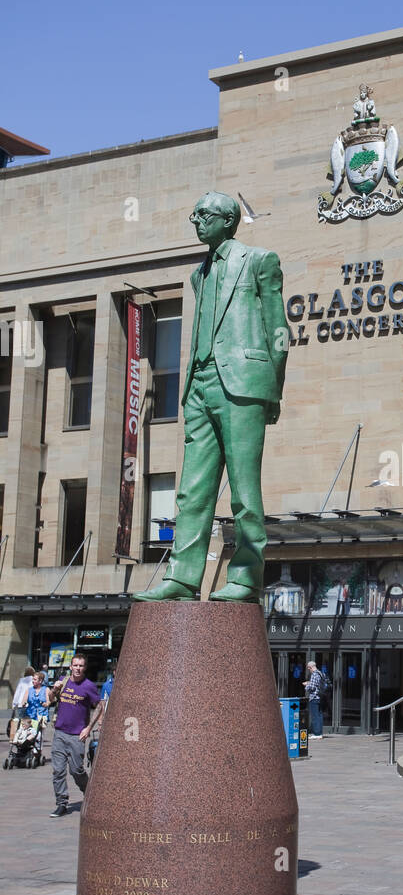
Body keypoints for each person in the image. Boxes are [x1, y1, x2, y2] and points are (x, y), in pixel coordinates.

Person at [134, 192, 286, 603]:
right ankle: (183, 579)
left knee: (243, 489)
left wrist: (273, 390)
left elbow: (279, 331)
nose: (196, 222)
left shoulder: (259, 260)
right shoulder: (197, 276)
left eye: (203, 215)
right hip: (199, 386)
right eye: (194, 215)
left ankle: (246, 577)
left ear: (228, 220)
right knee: (192, 490)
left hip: (243, 385)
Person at [45, 654, 103, 818]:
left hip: (77, 735)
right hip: (60, 733)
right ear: (71, 666)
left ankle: (89, 794)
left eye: (81, 666)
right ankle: (61, 803)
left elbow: (99, 706)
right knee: (58, 771)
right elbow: (51, 699)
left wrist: (88, 727)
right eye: (75, 665)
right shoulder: (63, 681)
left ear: (84, 668)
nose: (77, 668)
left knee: (76, 770)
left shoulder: (88, 686)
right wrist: (54, 689)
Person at [303, 661, 324, 739]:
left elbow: (312, 687)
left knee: (315, 716)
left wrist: (306, 685)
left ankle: (316, 733)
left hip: (314, 698)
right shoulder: (320, 673)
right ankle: (320, 733)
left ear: (310, 667)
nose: (309, 670)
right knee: (319, 715)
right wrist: (310, 682)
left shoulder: (314, 674)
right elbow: (317, 684)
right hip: (320, 697)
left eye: (309, 668)